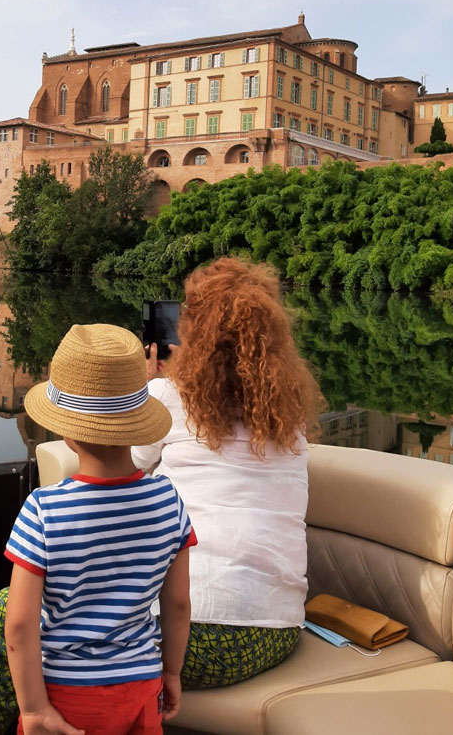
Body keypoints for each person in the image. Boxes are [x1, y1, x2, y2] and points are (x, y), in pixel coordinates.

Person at [132, 257, 324, 689]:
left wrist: (146, 392)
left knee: (9, 614)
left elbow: (114, 477)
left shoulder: (166, 396)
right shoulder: (288, 420)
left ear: (195, 333)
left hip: (174, 632)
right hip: (273, 633)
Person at [2, 323, 196, 734]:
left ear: (67, 432)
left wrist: (34, 709)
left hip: (66, 693)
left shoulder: (43, 510)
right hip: (141, 688)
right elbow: (177, 605)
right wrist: (172, 673)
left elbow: (19, 624)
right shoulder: (168, 500)